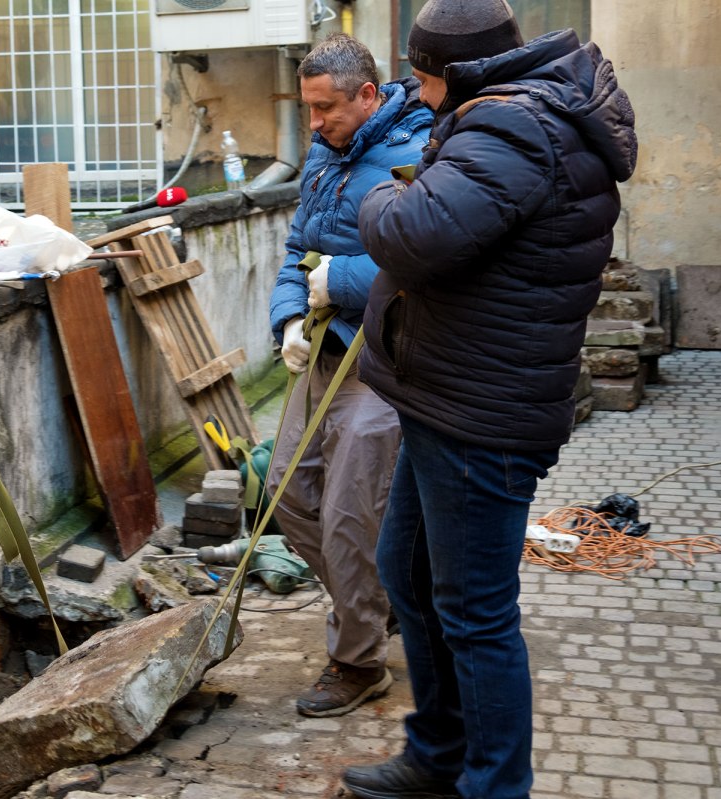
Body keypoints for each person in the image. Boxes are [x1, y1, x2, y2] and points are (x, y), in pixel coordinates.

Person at [344, 1, 637, 797]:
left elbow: (411, 233)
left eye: (418, 74)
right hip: (449, 398)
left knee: (476, 613)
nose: (414, 90)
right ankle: (439, 753)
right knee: (405, 572)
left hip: (482, 415)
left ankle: (493, 784)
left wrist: (376, 200)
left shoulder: (512, 129)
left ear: (453, 70)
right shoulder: (510, 116)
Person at [265, 33, 432, 718]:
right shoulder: (323, 156)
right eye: (307, 109)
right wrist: (284, 319)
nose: (315, 124)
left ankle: (357, 660)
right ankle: (380, 603)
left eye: (326, 109)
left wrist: (344, 280)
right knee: (285, 492)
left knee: (346, 515)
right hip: (324, 347)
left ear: (367, 96)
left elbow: (426, 262)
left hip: (386, 359)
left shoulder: (420, 154)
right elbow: (297, 250)